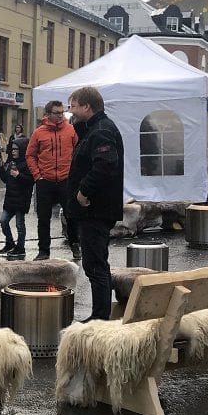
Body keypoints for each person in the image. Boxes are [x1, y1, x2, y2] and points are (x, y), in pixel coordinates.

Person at [66, 86, 124, 322]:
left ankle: (100, 317)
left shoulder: (101, 131)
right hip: (92, 211)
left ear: (86, 107)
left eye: (73, 107)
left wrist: (83, 192)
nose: (71, 113)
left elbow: (105, 165)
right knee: (95, 263)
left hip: (95, 210)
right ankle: (101, 313)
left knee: (95, 265)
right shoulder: (93, 129)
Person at [26, 100, 80, 260]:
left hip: (66, 180)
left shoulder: (71, 130)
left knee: (71, 216)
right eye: (57, 113)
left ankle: (75, 245)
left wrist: (74, 174)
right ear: (48, 114)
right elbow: (30, 155)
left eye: (62, 112)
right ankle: (43, 251)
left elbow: (78, 152)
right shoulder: (39, 133)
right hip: (45, 181)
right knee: (43, 218)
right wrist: (37, 175)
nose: (60, 116)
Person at [0, 137, 34, 259]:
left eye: (16, 149)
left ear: (22, 150)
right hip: (10, 200)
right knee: (3, 221)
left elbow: (30, 181)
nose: (13, 151)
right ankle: (10, 242)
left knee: (20, 225)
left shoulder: (27, 163)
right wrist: (0, 168)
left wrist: (18, 176)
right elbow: (6, 180)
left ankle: (20, 247)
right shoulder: (11, 162)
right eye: (12, 149)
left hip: (21, 200)